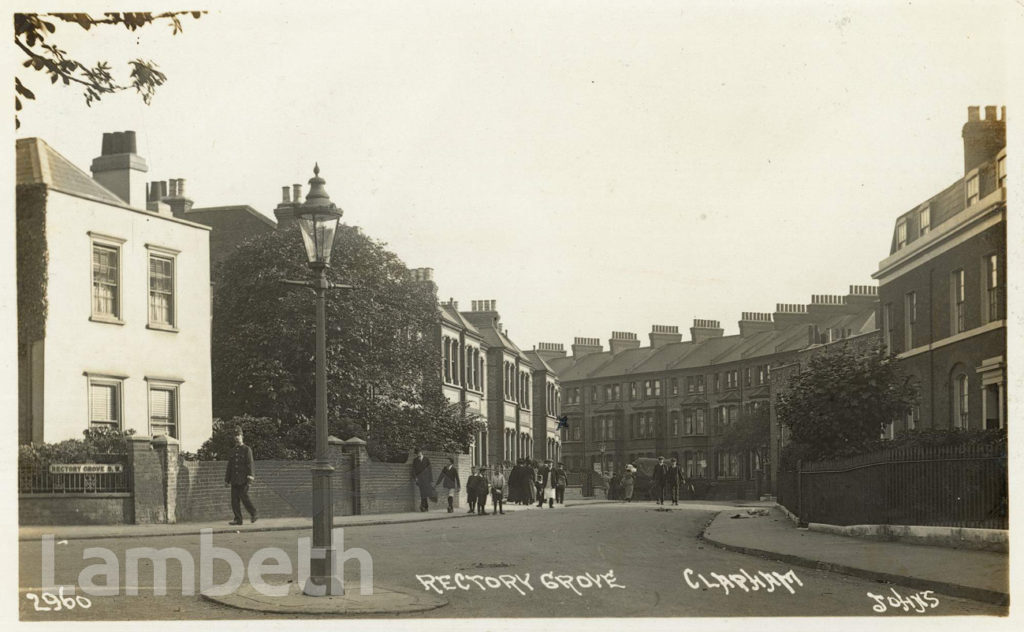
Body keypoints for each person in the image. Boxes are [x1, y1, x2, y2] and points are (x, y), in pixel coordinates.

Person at [225, 426, 257, 525]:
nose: (237, 437)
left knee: (244, 497)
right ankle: (238, 519)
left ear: (242, 436)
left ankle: (254, 513)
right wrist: (227, 480)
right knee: (234, 500)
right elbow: (230, 466)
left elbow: (250, 464)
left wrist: (250, 478)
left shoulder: (247, 449)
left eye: (238, 435)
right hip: (234, 479)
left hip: (243, 480)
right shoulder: (233, 450)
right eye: (235, 436)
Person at [411, 448, 434, 512]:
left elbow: (430, 470)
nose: (418, 454)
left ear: (421, 452)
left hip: (426, 479)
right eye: (417, 453)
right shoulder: (415, 460)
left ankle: (423, 506)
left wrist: (430, 480)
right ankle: (425, 507)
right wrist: (415, 478)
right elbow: (413, 470)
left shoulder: (426, 459)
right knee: (422, 493)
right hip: (419, 480)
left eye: (419, 452)